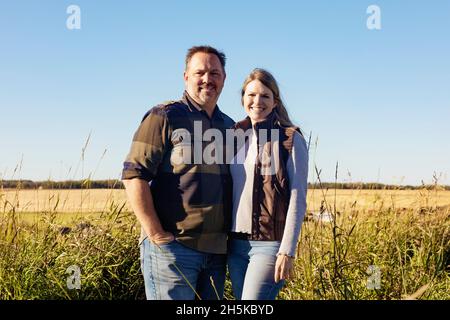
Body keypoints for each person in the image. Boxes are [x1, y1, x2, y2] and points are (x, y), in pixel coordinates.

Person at [121, 46, 234, 300]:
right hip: (174, 249)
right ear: (186, 77)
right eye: (200, 72)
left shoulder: (229, 125)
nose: (208, 79)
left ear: (224, 79)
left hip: (217, 253)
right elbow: (134, 175)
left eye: (215, 73)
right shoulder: (164, 116)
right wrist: (157, 234)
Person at [227, 68, 309, 300]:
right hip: (235, 244)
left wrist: (287, 250)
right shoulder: (234, 136)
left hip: (269, 245)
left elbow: (297, 198)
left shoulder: (290, 139)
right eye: (251, 95)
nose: (257, 101)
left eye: (265, 96)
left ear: (275, 101)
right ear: (243, 98)